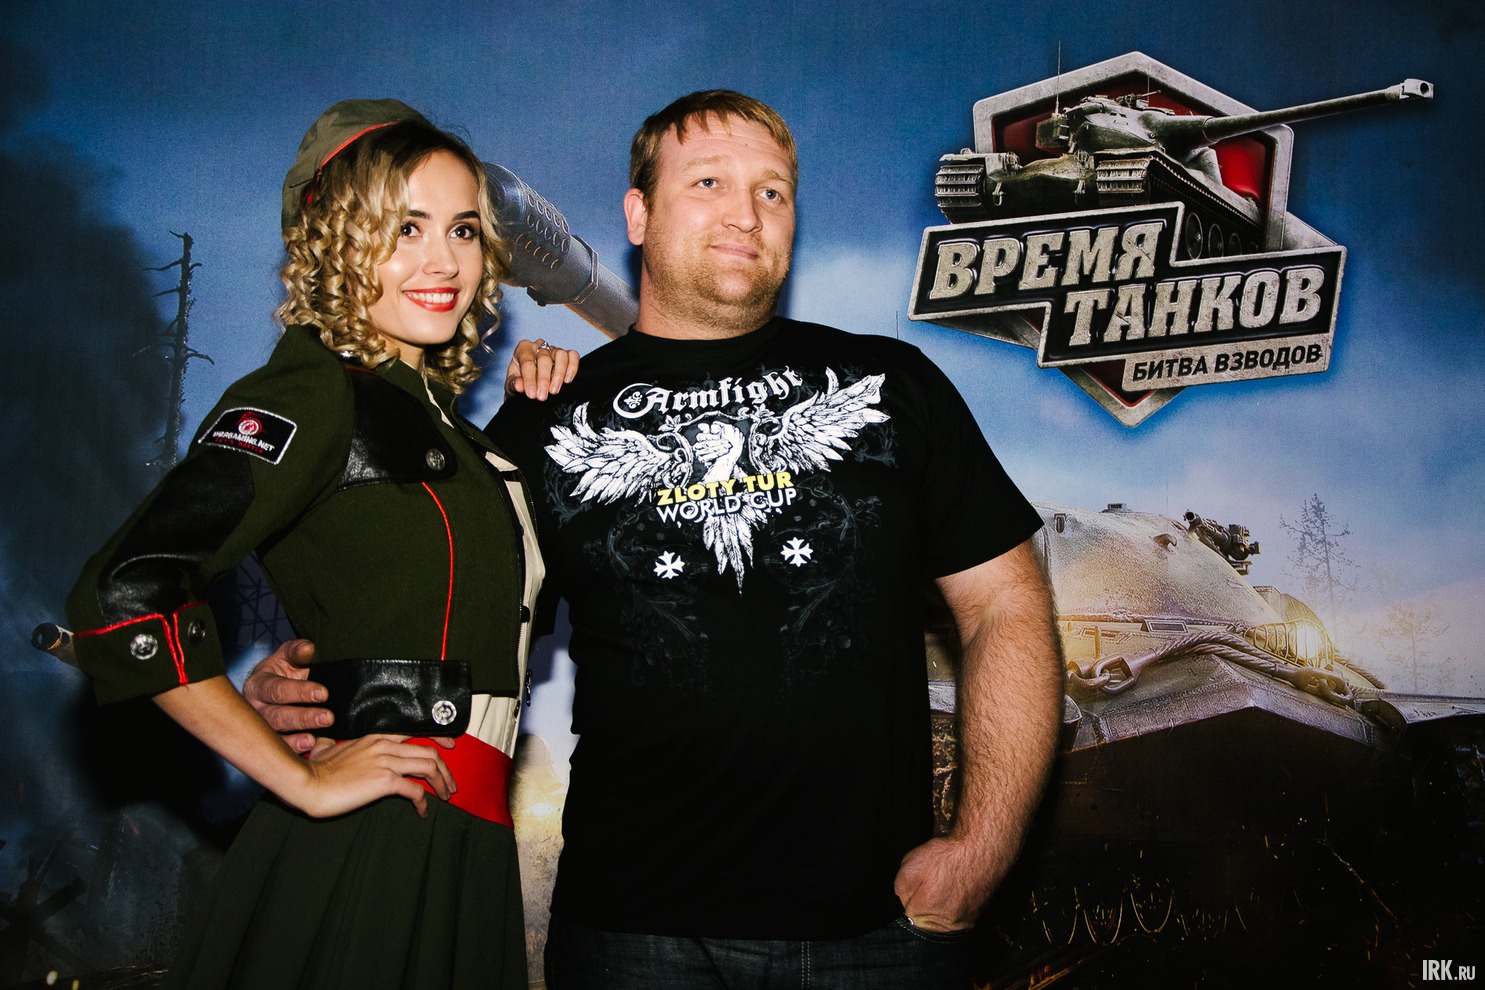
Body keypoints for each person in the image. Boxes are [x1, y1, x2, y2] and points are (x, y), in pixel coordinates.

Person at [250, 90, 1064, 989]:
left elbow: (1005, 605)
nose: (745, 214)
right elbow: (452, 621)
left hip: (876, 930)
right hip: (630, 936)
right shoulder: (547, 420)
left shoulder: (889, 383)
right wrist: (318, 686)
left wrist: (981, 850)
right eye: (708, 182)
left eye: (772, 192)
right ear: (637, 216)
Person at [66, 99, 573, 989]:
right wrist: (298, 780)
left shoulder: (458, 436)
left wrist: (538, 415)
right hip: (375, 840)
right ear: (337, 241)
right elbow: (125, 591)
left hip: (467, 840)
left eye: (462, 229)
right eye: (404, 227)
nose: (443, 261)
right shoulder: (313, 392)